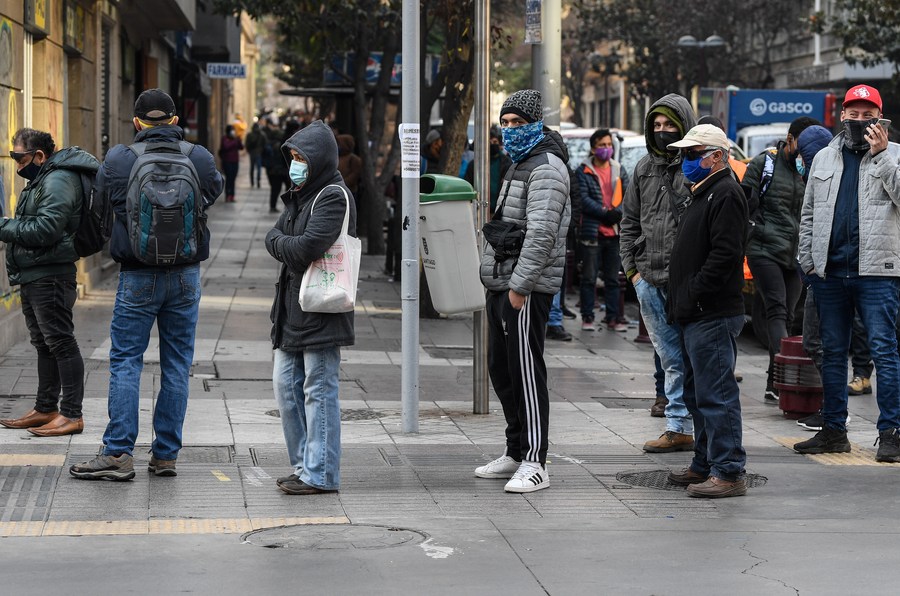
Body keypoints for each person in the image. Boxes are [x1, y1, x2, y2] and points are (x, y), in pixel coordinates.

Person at [69, 88, 223, 481]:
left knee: (125, 361)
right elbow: (213, 190)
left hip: (137, 274)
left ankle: (119, 452)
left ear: (136, 122)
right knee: (176, 364)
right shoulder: (198, 156)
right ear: (174, 121)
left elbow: (102, 207)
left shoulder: (120, 158)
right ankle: (166, 454)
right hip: (186, 276)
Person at [794, 84, 900, 463]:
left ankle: (891, 433)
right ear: (841, 116)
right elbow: (808, 213)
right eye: (853, 115)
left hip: (878, 273)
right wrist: (808, 260)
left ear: (880, 118)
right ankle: (834, 431)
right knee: (834, 352)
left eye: (867, 115)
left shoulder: (895, 156)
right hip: (830, 272)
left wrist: (883, 155)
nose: (859, 121)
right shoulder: (824, 157)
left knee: (885, 352)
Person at [474, 89, 570, 493]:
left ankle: (535, 460)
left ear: (535, 123)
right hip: (504, 282)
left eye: (518, 122)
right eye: (506, 122)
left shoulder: (546, 166)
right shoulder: (520, 163)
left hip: (523, 288)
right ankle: (516, 450)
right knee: (503, 369)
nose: (510, 129)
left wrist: (520, 287)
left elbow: (543, 232)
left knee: (526, 372)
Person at [265, 120, 356, 495]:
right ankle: (304, 467)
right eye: (293, 157)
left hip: (321, 307)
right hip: (291, 308)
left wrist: (288, 244)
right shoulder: (299, 195)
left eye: (302, 157)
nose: (295, 164)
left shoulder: (332, 195)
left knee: (318, 389)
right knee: (285, 388)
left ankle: (321, 473)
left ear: (318, 160)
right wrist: (289, 243)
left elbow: (303, 250)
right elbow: (273, 237)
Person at [665, 124, 749, 498]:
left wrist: (695, 293)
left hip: (711, 313)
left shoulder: (726, 193)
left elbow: (724, 256)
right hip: (694, 312)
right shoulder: (704, 192)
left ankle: (728, 470)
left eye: (693, 153)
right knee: (697, 393)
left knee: (716, 394)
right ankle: (704, 462)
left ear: (716, 156)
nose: (686, 160)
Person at [0, 129, 98, 437]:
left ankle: (71, 414)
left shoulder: (57, 180)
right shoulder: (43, 179)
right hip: (37, 272)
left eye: (19, 158)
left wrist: (3, 226)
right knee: (44, 343)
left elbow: (46, 229)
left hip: (50, 275)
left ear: (39, 156)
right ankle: (46, 408)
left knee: (61, 342)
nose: (17, 166)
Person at [619, 93, 697, 454]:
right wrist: (633, 273)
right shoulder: (641, 168)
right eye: (657, 126)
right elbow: (629, 222)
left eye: (670, 125)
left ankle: (695, 425)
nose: (663, 132)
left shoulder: (697, 166)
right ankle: (676, 425)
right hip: (648, 279)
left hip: (688, 282)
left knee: (692, 356)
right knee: (668, 357)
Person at [741, 116, 820, 403]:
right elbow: (745, 201)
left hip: (795, 254)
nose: (806, 153)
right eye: (803, 146)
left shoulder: (812, 169)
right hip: (764, 249)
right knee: (776, 310)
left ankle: (774, 382)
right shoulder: (765, 164)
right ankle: (783, 378)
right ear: (790, 140)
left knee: (787, 315)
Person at [577, 128, 630, 332]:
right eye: (602, 145)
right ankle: (588, 317)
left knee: (613, 278)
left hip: (615, 232)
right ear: (593, 148)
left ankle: (613, 318)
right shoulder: (583, 171)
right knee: (589, 277)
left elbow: (628, 195)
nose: (606, 149)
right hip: (592, 232)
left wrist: (617, 212)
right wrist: (604, 213)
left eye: (609, 145)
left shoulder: (618, 169)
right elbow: (583, 199)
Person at [463, 125, 512, 215]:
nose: (492, 144)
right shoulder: (474, 164)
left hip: (500, 212)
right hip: (479, 211)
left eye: (495, 141)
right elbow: (468, 186)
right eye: (489, 142)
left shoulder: (507, 163)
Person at [263, 118, 290, 213]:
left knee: (274, 189)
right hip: (279, 170)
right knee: (282, 189)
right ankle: (287, 207)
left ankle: (272, 206)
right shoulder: (281, 145)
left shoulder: (268, 144)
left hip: (271, 170)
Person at [336, 134, 363, 212]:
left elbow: (355, 175)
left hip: (349, 191)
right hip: (337, 190)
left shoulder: (354, 159)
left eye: (339, 143)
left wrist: (341, 184)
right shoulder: (336, 157)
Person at [219, 124, 243, 203]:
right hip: (227, 162)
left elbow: (241, 147)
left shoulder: (235, 139)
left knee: (233, 179)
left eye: (233, 130)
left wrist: (239, 140)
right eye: (231, 130)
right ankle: (227, 195)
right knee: (229, 178)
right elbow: (226, 147)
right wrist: (234, 141)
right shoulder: (224, 138)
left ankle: (232, 195)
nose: (233, 132)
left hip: (235, 161)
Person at [244, 122, 266, 189]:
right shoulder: (262, 134)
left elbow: (246, 144)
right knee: (258, 168)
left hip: (252, 153)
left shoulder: (249, 134)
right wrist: (261, 150)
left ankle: (252, 182)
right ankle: (258, 181)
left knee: (252, 168)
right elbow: (265, 143)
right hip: (259, 153)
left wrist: (249, 150)